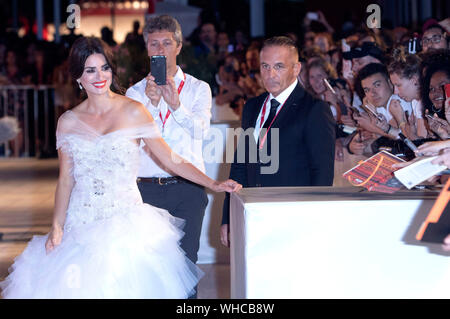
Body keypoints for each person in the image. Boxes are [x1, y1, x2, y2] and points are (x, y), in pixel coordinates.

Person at [0, 36, 241, 299]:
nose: (99, 76)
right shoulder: (67, 122)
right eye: (90, 70)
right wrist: (57, 227)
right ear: (78, 77)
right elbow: (66, 179)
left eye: (104, 67)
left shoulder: (134, 111)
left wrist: (213, 183)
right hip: (80, 225)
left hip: (126, 225)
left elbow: (170, 158)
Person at [125, 15, 213, 298]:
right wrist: (150, 105)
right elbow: (133, 141)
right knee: (148, 268)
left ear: (178, 46)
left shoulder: (199, 89)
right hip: (145, 189)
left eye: (166, 43)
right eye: (154, 44)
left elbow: (200, 132)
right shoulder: (134, 93)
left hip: (186, 189)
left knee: (186, 266)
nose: (160, 50)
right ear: (147, 49)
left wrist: (176, 105)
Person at [221, 36, 335, 246]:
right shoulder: (252, 107)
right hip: (253, 215)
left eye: (279, 67)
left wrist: (313, 220)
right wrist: (229, 215)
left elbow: (323, 173)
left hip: (293, 219)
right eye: (265, 66)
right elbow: (239, 165)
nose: (270, 75)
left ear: (296, 68)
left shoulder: (314, 109)